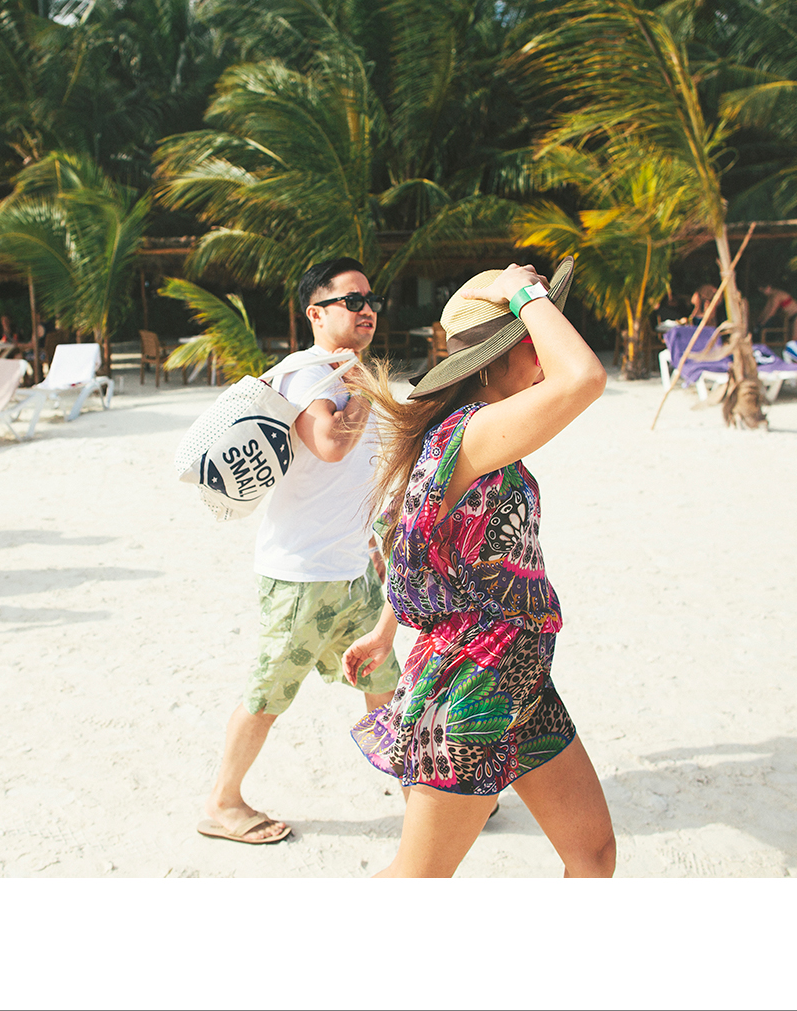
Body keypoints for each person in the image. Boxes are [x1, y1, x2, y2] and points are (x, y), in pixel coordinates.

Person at [342, 257, 619, 878]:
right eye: (531, 339)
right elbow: (583, 378)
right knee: (416, 880)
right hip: (473, 684)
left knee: (593, 854)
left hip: (519, 676)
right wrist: (523, 291)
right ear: (496, 355)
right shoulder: (472, 432)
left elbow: (420, 541)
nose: (544, 352)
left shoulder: (465, 433)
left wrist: (384, 630)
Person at [198, 257, 402, 846]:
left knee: (383, 680)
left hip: (352, 569)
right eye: (352, 301)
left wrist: (378, 547)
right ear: (316, 313)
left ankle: (419, 784)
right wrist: (361, 389)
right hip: (300, 576)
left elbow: (360, 472)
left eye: (372, 300)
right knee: (268, 695)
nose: (367, 310)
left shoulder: (346, 372)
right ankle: (221, 802)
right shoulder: (306, 374)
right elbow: (333, 444)